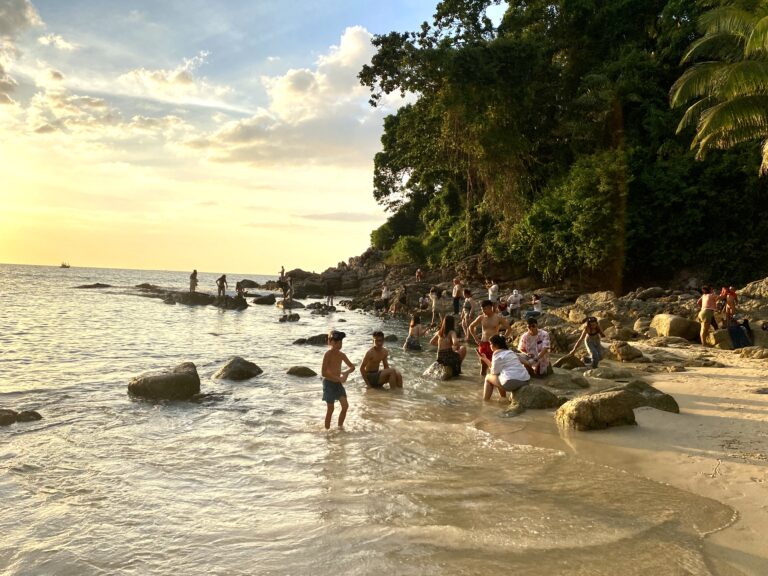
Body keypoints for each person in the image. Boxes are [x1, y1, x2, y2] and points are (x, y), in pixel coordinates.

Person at [478, 334, 530, 400]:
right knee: (500, 375)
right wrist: (485, 359)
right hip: (525, 380)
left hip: (511, 383)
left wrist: (485, 360)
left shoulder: (496, 353)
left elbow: (494, 372)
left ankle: (485, 401)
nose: (490, 346)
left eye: (490, 344)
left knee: (488, 377)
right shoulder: (511, 352)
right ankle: (503, 398)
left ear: (496, 345)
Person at [322, 330, 355, 429]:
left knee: (345, 406)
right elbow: (323, 372)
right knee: (330, 409)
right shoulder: (327, 354)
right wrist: (338, 378)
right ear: (329, 342)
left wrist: (345, 373)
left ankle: (340, 427)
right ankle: (327, 431)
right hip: (328, 384)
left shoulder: (342, 355)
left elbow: (352, 367)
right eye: (335, 342)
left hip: (338, 385)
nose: (338, 344)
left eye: (340, 342)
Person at [468, 299, 511, 376]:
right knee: (483, 367)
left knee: (495, 367)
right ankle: (482, 384)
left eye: (484, 309)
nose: (483, 311)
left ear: (490, 307)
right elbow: (471, 327)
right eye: (482, 309)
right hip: (483, 343)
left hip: (495, 345)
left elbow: (509, 328)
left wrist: (503, 338)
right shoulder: (481, 317)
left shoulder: (498, 318)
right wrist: (476, 339)